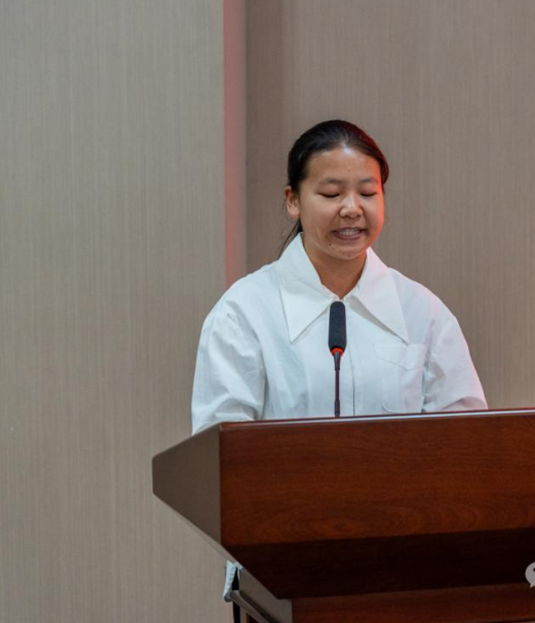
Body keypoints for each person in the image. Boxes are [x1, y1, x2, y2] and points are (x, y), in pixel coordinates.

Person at [189, 120, 488, 608]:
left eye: (368, 192)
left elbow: (470, 448)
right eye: (331, 193)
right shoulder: (244, 312)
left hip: (405, 573)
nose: (352, 208)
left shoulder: (423, 312)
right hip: (282, 576)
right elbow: (219, 461)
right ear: (293, 200)